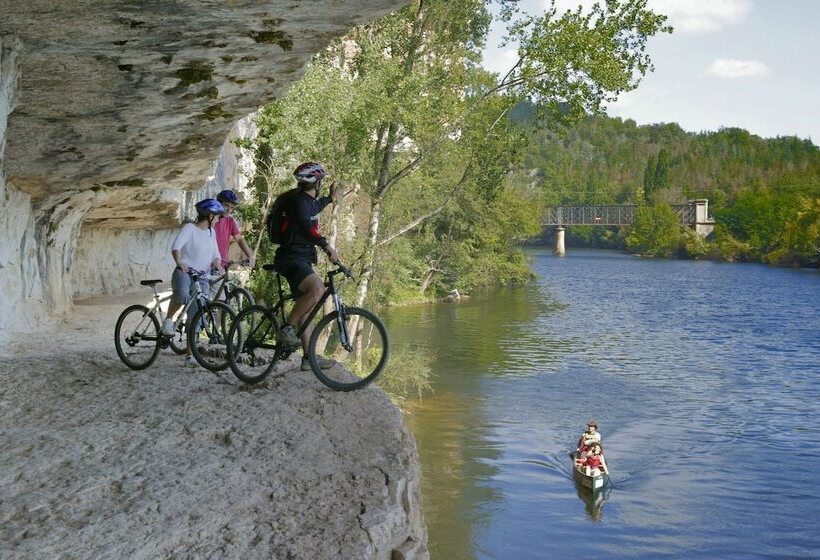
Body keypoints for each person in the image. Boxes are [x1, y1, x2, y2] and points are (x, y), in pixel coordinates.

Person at [273, 162, 339, 371]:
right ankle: (287, 329)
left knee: (307, 308)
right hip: (291, 257)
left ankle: (309, 358)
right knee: (317, 289)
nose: (321, 184)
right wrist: (327, 246)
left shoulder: (307, 201)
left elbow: (314, 209)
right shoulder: (298, 202)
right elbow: (306, 226)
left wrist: (330, 198)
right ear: (316, 181)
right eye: (321, 181)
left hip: (300, 257)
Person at [161, 198, 226, 366]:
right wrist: (180, 262)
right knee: (182, 294)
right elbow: (176, 247)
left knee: (194, 318)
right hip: (184, 273)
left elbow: (215, 254)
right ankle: (168, 320)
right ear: (210, 215)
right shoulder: (190, 228)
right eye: (218, 216)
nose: (219, 220)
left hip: (202, 278)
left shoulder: (212, 233)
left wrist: (218, 264)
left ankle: (189, 356)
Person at [213, 189, 255, 270]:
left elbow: (239, 239)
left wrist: (250, 256)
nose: (229, 210)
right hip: (207, 263)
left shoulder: (230, 220)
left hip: (222, 265)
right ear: (219, 203)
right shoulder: (210, 218)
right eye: (226, 205)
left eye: (232, 207)